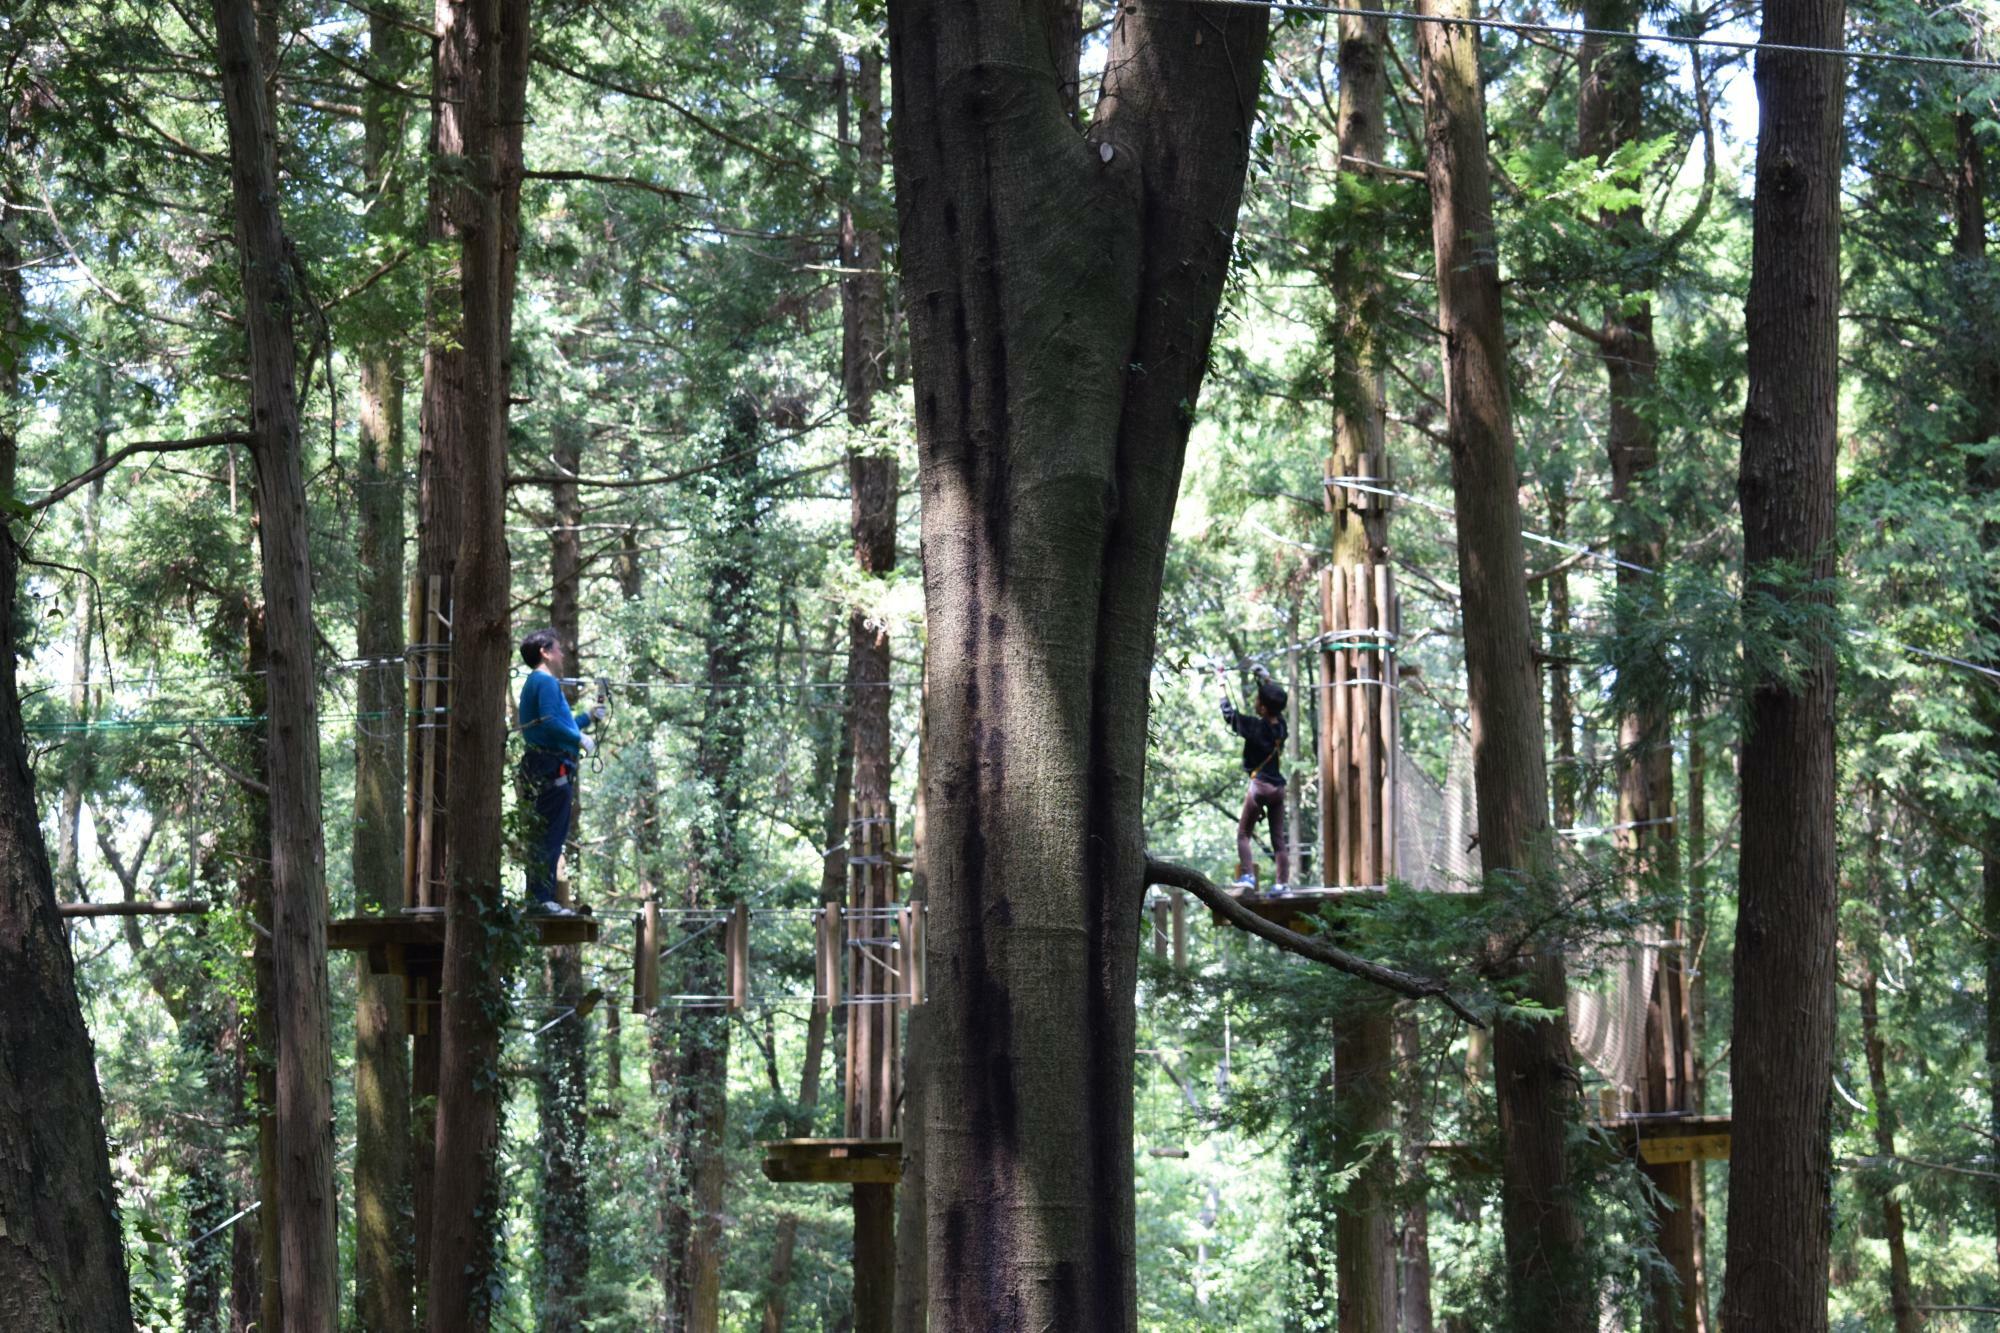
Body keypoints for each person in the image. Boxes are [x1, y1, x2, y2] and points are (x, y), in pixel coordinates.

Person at [518, 628, 605, 916]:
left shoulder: (538, 683)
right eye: (558, 648)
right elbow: (550, 724)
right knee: (550, 836)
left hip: (543, 766)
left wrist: (586, 719)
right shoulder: (545, 682)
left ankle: (540, 897)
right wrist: (578, 739)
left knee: (546, 833)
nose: (562, 653)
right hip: (550, 767)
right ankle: (542, 899)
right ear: (545, 651)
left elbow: (557, 722)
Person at [1215, 664, 1291, 894]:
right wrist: (1265, 679)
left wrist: (1220, 683)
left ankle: (1248, 877)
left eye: (1259, 700)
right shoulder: (1281, 726)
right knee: (1278, 839)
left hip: (1260, 787)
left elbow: (1229, 714)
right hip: (1278, 788)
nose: (1255, 702)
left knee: (1243, 835)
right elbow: (1275, 702)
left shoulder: (1256, 728)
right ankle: (1282, 884)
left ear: (1264, 707)